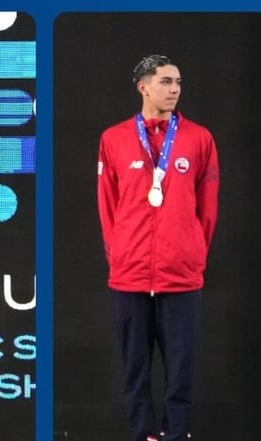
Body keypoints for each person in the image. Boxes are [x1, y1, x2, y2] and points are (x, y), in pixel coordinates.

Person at [96, 54, 220, 441]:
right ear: (143, 86)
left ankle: (177, 434)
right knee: (135, 369)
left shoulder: (199, 139)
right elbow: (107, 205)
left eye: (178, 82)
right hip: (129, 276)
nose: (175, 89)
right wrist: (119, 253)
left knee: (180, 369)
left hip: (180, 276)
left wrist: (193, 252)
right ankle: (141, 435)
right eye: (166, 81)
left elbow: (208, 208)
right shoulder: (113, 139)